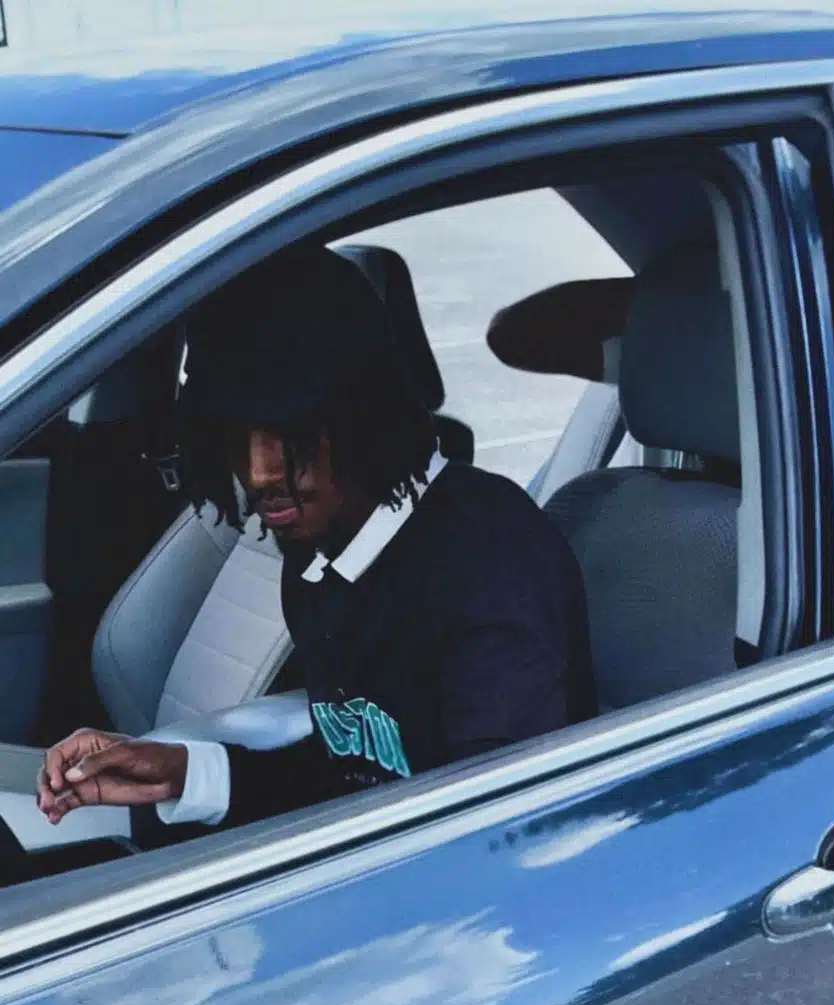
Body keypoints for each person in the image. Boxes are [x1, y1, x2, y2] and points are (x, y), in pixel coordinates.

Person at [37, 245, 596, 832]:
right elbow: (355, 771)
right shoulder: (319, 557)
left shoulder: (493, 564)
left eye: (294, 434)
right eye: (234, 439)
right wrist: (183, 773)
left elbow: (495, 830)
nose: (260, 474)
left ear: (363, 413)